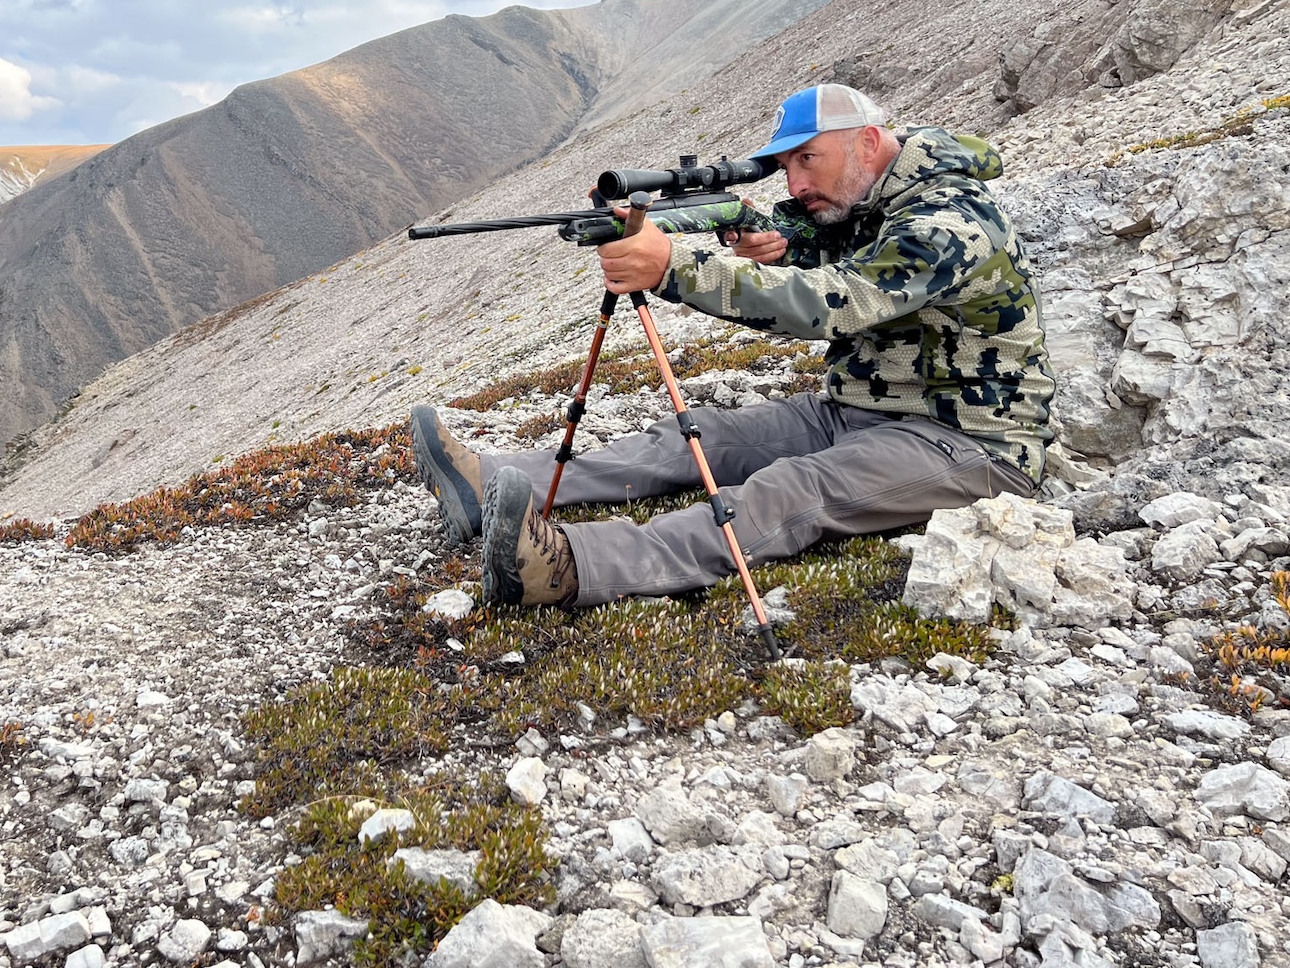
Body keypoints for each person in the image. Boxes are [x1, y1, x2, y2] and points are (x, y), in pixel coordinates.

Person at [410, 83, 1055, 609]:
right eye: (785, 165)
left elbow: (838, 300)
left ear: (866, 142)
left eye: (809, 160)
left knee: (789, 490)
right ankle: (489, 481)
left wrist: (674, 267)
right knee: (703, 437)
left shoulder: (949, 220)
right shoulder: (864, 194)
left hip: (967, 441)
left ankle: (570, 566)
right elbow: (817, 245)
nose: (795, 182)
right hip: (856, 408)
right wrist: (772, 243)